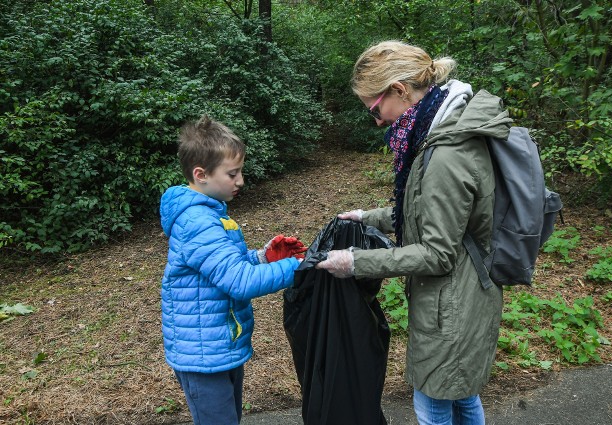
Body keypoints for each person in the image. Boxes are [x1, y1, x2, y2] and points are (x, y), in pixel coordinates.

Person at [316, 41, 512, 425]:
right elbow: (431, 214)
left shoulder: (446, 151)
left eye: (374, 108)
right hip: (460, 295)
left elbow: (437, 254)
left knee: (434, 404)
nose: (376, 120)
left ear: (400, 90)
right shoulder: (437, 132)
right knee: (462, 394)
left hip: (452, 306)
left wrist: (356, 261)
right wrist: (367, 217)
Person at [160, 114, 306, 425]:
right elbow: (239, 282)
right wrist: (299, 267)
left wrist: (264, 257)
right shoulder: (197, 222)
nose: (240, 181)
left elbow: (225, 268)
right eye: (233, 173)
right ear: (201, 174)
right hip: (203, 356)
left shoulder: (210, 215)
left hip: (217, 345)